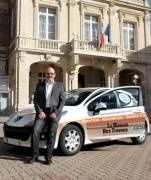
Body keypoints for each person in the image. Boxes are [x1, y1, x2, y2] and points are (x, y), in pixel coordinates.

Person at [30, 66, 65, 165]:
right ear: (45, 75)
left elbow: (62, 101)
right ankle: (34, 155)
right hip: (42, 112)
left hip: (54, 112)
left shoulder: (60, 85)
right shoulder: (40, 85)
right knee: (35, 131)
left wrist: (56, 113)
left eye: (51, 73)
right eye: (48, 73)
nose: (49, 75)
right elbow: (35, 100)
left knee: (51, 134)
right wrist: (40, 111)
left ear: (54, 75)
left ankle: (48, 157)